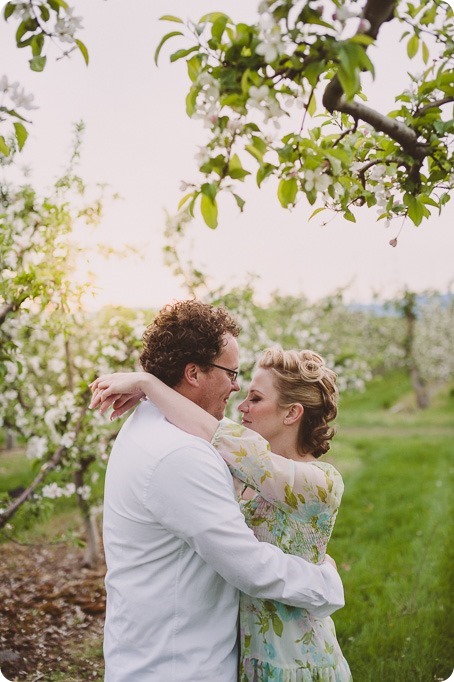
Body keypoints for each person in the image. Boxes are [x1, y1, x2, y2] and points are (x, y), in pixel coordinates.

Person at [90, 305, 351, 681]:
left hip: (289, 655)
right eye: (232, 374)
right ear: (193, 372)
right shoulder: (182, 452)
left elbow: (226, 437)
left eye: (253, 395)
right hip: (179, 667)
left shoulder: (157, 426)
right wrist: (325, 583)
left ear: (292, 413)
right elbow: (249, 566)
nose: (236, 393)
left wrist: (149, 385)